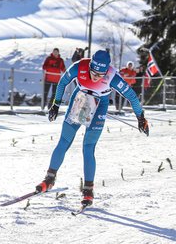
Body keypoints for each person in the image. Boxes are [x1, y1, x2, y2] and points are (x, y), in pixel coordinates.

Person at [36, 50, 149, 208]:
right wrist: (56, 104)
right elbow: (62, 82)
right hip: (80, 100)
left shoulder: (113, 77)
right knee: (64, 141)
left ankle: (88, 190)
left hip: (99, 105)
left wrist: (141, 117)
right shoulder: (79, 67)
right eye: (94, 72)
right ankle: (49, 179)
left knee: (88, 147)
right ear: (90, 66)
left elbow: (131, 97)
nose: (96, 77)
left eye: (100, 74)